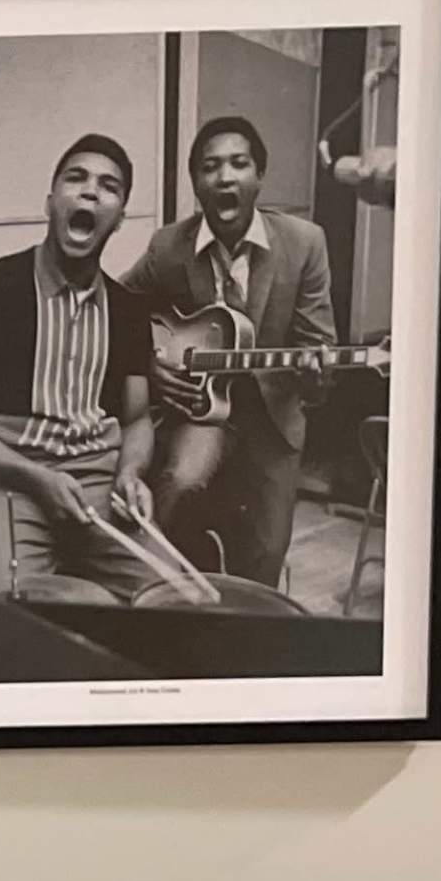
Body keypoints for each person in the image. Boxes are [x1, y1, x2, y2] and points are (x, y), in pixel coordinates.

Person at [0, 134, 203, 608]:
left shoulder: (129, 311)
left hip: (98, 486)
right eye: (76, 178)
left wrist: (131, 473)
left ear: (119, 217)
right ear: (51, 202)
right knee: (15, 619)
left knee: (182, 602)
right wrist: (33, 476)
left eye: (108, 186)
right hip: (6, 482)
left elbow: (136, 419)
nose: (90, 191)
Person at [124, 110, 339, 583]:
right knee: (179, 483)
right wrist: (148, 364)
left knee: (267, 551)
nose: (224, 177)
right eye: (210, 166)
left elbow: (318, 355)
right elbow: (116, 309)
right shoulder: (169, 247)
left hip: (272, 419)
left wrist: (316, 374)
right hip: (202, 413)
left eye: (239, 163)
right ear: (195, 184)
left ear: (259, 176)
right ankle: (151, 587)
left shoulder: (305, 243)